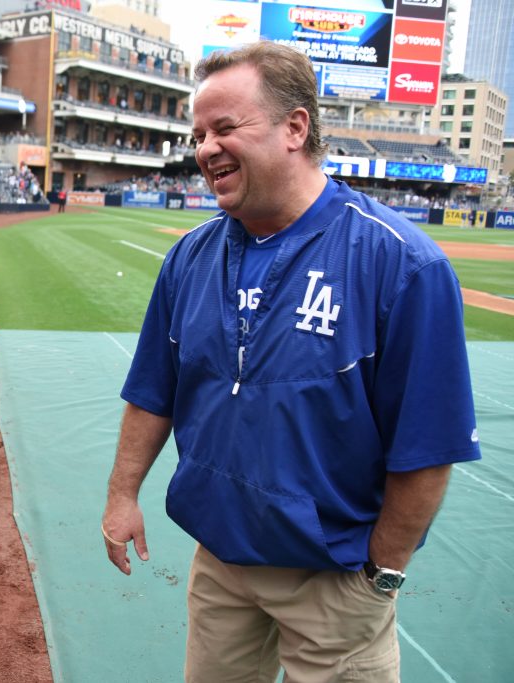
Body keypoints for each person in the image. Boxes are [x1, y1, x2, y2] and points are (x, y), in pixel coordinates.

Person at [101, 42, 481, 682]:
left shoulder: (401, 263)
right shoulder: (189, 258)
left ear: (295, 128)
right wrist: (121, 494)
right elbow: (154, 388)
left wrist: (381, 576)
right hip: (220, 565)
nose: (205, 149)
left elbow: (427, 446)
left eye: (225, 128)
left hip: (333, 581)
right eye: (199, 134)